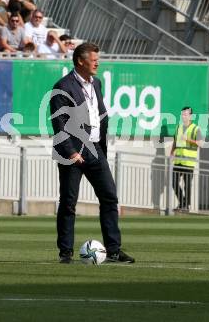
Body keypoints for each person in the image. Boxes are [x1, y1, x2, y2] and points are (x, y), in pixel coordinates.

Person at [50, 42, 135, 264]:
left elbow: (100, 114)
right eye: (94, 58)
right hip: (73, 153)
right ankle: (65, 253)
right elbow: (59, 124)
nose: (98, 62)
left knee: (109, 197)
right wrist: (70, 152)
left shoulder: (95, 83)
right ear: (80, 60)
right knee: (69, 202)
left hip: (95, 149)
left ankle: (114, 251)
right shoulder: (63, 87)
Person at [170, 106, 203, 211]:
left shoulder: (195, 128)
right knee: (174, 182)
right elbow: (175, 141)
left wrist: (188, 139)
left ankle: (185, 205)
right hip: (178, 161)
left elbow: (200, 144)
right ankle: (183, 202)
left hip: (189, 162)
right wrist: (172, 152)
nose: (183, 116)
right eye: (182, 114)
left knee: (187, 185)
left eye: (185, 114)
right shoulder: (178, 127)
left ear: (190, 116)